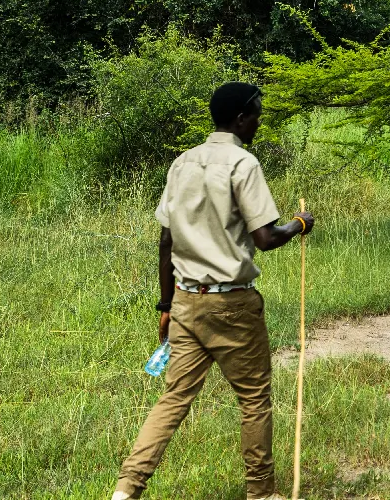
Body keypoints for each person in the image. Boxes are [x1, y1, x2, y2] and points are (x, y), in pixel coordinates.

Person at [113, 82, 315, 500]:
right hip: (232, 304)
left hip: (186, 300)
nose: (259, 120)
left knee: (173, 399)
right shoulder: (243, 163)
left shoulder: (183, 163)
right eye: (256, 113)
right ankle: (261, 493)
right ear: (240, 118)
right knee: (254, 399)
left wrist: (166, 305)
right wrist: (299, 224)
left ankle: (126, 488)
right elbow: (264, 238)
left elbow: (166, 241)